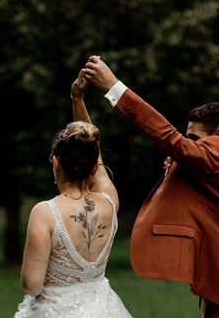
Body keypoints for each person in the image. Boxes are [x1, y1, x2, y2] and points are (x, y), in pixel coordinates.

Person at [82, 55, 219, 318]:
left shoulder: (214, 157)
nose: (190, 146)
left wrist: (114, 87)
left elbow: (168, 137)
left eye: (195, 138)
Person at [13, 71, 132, 318]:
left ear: (56, 163)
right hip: (104, 310)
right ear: (93, 168)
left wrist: (75, 96)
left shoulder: (45, 213)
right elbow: (93, 152)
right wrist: (78, 99)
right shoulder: (110, 202)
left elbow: (32, 284)